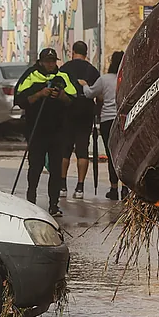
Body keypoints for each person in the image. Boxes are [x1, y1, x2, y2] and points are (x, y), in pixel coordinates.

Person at [15, 47, 77, 217]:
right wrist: (40, 94)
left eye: (53, 61)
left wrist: (61, 95)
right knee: (35, 166)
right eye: (47, 61)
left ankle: (54, 204)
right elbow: (20, 99)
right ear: (41, 62)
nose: (50, 64)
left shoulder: (63, 76)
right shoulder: (31, 75)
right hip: (36, 130)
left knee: (56, 169)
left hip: (58, 130)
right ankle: (31, 199)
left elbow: (75, 99)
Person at [60, 40, 101, 199]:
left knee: (65, 150)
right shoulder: (92, 71)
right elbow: (99, 95)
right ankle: (80, 187)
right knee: (82, 150)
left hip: (67, 112)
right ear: (86, 53)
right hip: (86, 113)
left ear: (72, 52)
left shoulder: (64, 69)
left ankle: (62, 185)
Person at [83, 51, 122, 200]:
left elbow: (90, 93)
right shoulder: (126, 78)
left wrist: (85, 85)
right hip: (124, 120)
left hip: (107, 120)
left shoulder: (104, 79)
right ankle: (125, 188)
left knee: (111, 155)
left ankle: (113, 188)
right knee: (122, 154)